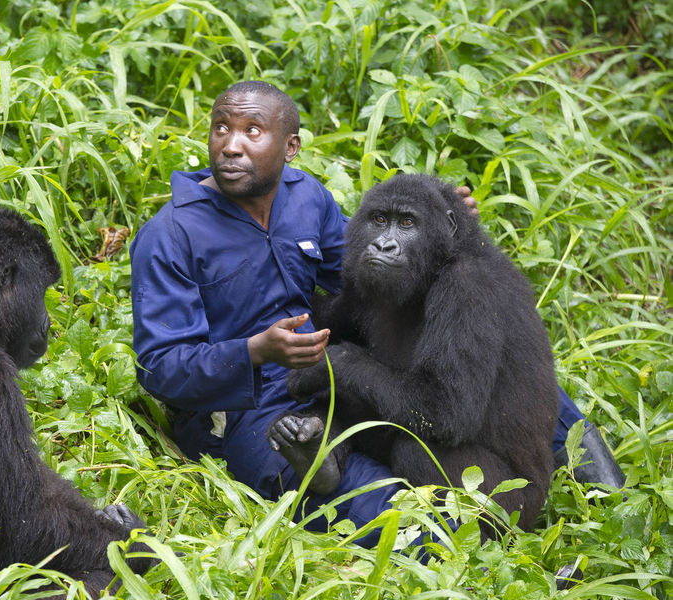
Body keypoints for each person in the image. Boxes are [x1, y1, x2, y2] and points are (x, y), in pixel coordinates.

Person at [130, 81, 622, 547]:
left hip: (323, 365)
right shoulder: (170, 235)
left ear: (290, 147)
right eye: (221, 128)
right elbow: (160, 370)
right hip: (247, 404)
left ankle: (600, 481)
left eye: (252, 131)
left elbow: (374, 271)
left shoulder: (306, 198)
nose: (231, 145)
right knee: (392, 515)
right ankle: (355, 482)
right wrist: (255, 351)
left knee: (488, 350)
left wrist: (441, 228)